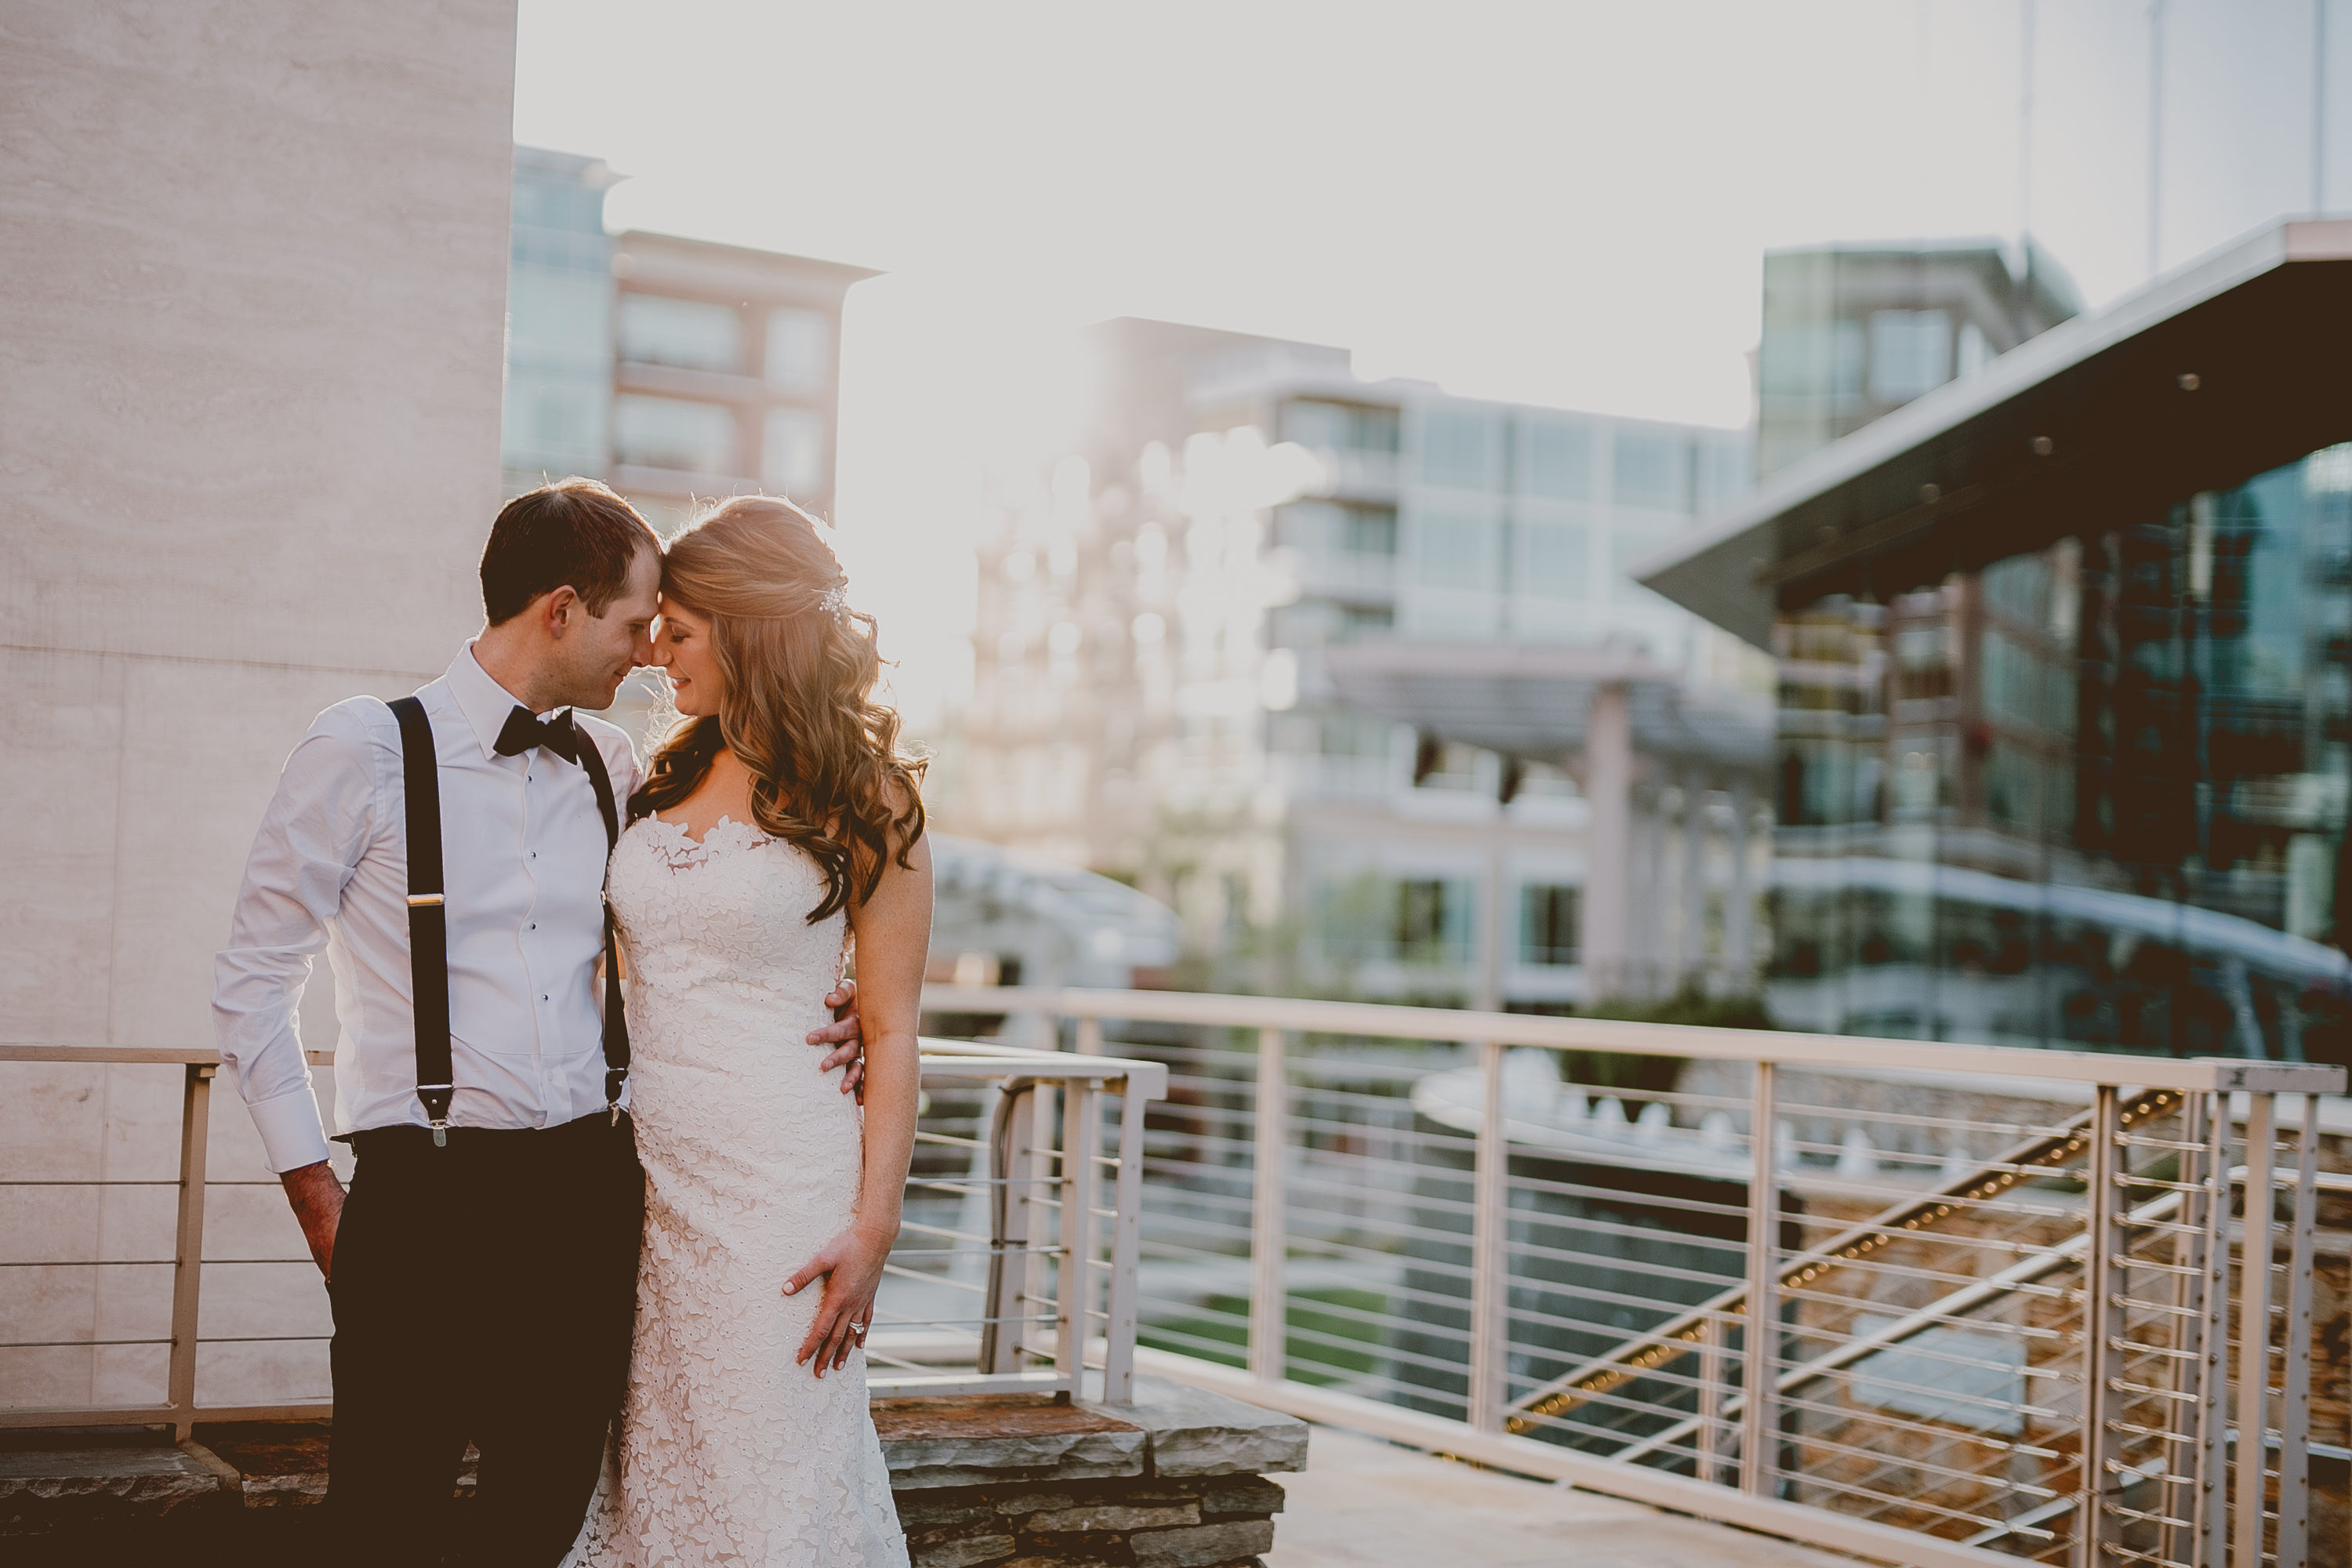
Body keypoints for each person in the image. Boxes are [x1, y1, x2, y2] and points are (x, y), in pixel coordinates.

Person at [212, 479, 870, 1564]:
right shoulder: (362, 748)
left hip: (587, 1193)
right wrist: (316, 1190)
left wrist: (825, 987)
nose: (651, 654)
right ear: (561, 610)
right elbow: (252, 982)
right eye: (633, 626)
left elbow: (710, 912)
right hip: (423, 1190)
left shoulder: (616, 769)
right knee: (384, 1514)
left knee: (546, 1516)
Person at [568, 495, 927, 1566]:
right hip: (646, 1184)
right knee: (661, 1472)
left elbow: (896, 1027)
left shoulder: (871, 800)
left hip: (782, 1190)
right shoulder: (653, 777)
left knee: (773, 1472)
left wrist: (875, 1229)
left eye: (678, 628)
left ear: (750, 628)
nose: (656, 651)